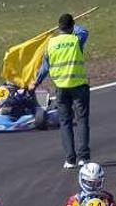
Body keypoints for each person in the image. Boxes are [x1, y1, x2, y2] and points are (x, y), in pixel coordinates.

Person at [33, 13, 90, 169]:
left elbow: (45, 67)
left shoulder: (51, 44)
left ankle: (70, 159)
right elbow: (84, 31)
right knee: (82, 120)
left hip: (61, 88)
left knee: (65, 123)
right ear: (71, 27)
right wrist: (74, 25)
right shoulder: (76, 39)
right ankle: (83, 157)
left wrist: (36, 82)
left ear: (59, 28)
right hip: (78, 86)